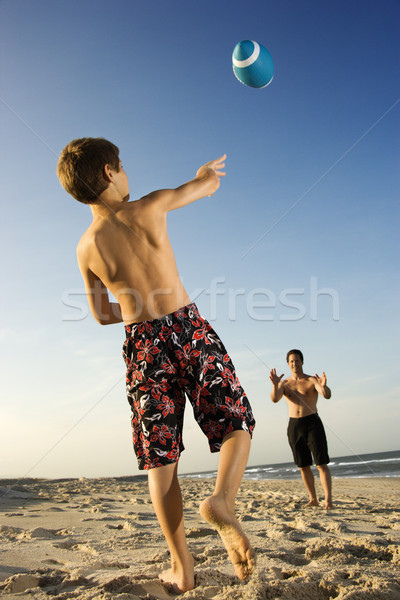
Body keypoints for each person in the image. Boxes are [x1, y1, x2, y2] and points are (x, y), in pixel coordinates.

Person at [57, 137, 256, 592]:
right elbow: (204, 187)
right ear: (109, 172)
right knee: (234, 420)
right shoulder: (149, 207)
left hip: (142, 346)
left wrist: (134, 312)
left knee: (160, 458)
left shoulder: (86, 247)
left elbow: (101, 313)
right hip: (187, 327)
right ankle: (222, 500)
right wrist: (208, 174)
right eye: (121, 165)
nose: (126, 173)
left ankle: (182, 567)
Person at [269, 349, 332, 509]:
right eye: (291, 361)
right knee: (303, 465)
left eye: (297, 360)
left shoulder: (311, 380)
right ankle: (313, 498)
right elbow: (275, 399)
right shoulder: (284, 384)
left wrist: (324, 386)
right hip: (294, 426)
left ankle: (328, 500)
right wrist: (276, 385)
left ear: (302, 362)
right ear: (288, 364)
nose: (294, 363)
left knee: (321, 463)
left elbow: (326, 395)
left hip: (312, 423)